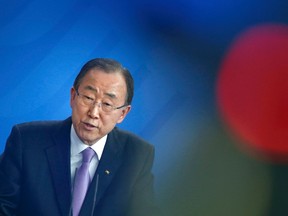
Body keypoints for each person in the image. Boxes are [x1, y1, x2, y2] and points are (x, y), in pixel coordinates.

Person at [0, 58, 159, 216]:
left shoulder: (137, 155)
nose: (94, 113)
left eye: (107, 104)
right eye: (88, 98)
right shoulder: (26, 141)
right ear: (73, 97)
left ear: (123, 113)